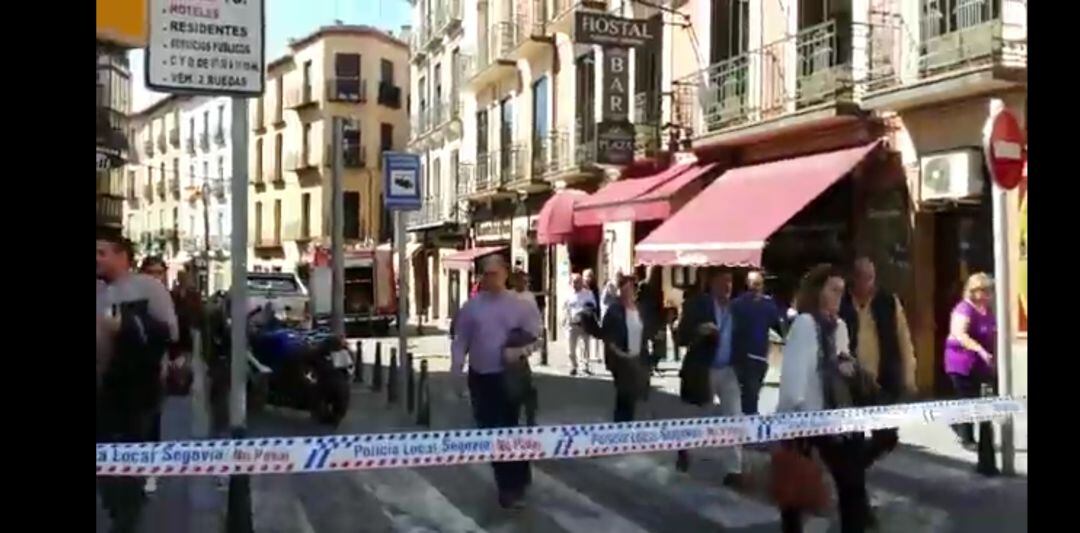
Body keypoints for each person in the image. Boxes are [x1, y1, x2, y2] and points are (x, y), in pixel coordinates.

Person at [777, 264, 868, 533]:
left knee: (851, 484)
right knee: (798, 484)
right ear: (818, 292)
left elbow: (843, 362)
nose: (839, 297)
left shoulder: (839, 326)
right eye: (833, 290)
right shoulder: (805, 324)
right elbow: (794, 376)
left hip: (837, 417)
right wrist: (789, 420)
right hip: (809, 418)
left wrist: (848, 368)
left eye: (842, 291)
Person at [97, 237, 178, 533]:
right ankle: (118, 508)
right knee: (104, 463)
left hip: (136, 389)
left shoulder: (149, 289)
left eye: (102, 253)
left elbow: (169, 332)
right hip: (102, 388)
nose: (97, 259)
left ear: (122, 257)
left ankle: (126, 518)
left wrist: (128, 327)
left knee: (128, 459)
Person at [451, 255, 542, 510]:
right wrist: (456, 368)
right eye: (485, 274)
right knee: (489, 431)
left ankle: (513, 485)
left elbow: (537, 337)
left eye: (493, 273)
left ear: (504, 274)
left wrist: (520, 352)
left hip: (509, 377)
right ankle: (509, 481)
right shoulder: (471, 307)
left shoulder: (520, 305)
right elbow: (461, 340)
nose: (488, 278)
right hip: (480, 378)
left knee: (510, 428)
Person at [838, 257, 917, 468]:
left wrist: (909, 377)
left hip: (881, 381)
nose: (868, 283)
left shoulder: (888, 301)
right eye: (863, 278)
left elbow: (904, 338)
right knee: (851, 438)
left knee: (887, 436)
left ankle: (858, 465)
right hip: (850, 382)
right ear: (853, 280)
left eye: (871, 277)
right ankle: (854, 478)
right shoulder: (841, 302)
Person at [674, 267, 745, 487]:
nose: (727, 286)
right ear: (712, 283)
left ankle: (734, 470)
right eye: (723, 281)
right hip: (703, 370)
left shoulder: (735, 309)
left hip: (728, 370)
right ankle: (684, 449)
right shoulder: (697, 305)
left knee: (735, 416)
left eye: (730, 282)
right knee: (696, 416)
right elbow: (681, 337)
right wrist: (699, 330)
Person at [944, 272, 997, 449]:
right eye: (985, 290)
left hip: (981, 364)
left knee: (980, 399)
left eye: (989, 290)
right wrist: (981, 350)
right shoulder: (964, 308)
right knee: (966, 399)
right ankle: (967, 438)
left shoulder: (987, 310)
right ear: (973, 291)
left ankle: (964, 428)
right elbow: (960, 334)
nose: (988, 294)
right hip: (961, 361)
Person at [731, 270, 783, 415]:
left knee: (749, 395)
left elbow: (776, 323)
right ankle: (749, 428)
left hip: (755, 356)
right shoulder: (741, 304)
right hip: (747, 356)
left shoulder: (765, 305)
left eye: (758, 285)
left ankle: (746, 423)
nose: (756, 288)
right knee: (751, 397)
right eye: (755, 285)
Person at [601, 274, 651, 422]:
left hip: (638, 359)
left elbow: (645, 331)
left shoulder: (639, 309)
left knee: (636, 396)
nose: (628, 292)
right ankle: (621, 428)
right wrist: (618, 353)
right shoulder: (614, 310)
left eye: (631, 288)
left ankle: (631, 426)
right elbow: (607, 335)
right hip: (622, 360)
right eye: (625, 288)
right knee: (625, 397)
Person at [563, 273, 598, 376]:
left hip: (584, 324)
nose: (575, 284)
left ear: (581, 282)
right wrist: (565, 319)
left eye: (577, 282)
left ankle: (585, 366)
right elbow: (564, 307)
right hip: (571, 324)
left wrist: (585, 312)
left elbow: (593, 306)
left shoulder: (588, 294)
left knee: (585, 346)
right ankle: (574, 365)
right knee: (570, 349)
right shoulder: (568, 294)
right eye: (573, 282)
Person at [637, 266, 666, 371]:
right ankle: (649, 363)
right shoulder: (643, 285)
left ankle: (651, 363)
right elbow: (637, 299)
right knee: (648, 342)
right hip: (647, 317)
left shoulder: (657, 288)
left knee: (657, 342)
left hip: (652, 317)